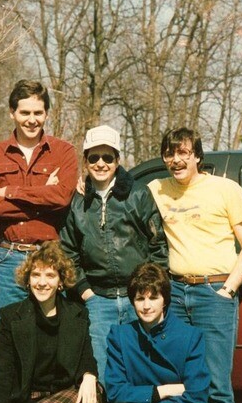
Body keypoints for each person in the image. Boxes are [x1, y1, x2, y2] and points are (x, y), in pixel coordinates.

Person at [148, 127, 242, 403]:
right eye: (169, 153)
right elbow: (120, 187)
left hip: (214, 294)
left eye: (183, 153)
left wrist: (228, 289)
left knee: (216, 385)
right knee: (177, 377)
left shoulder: (226, 189)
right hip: (177, 294)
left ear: (197, 155)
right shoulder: (158, 189)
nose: (176, 160)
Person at [59, 124, 167, 378]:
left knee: (142, 368)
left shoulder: (138, 195)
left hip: (138, 298)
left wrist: (148, 291)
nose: (100, 164)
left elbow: (159, 246)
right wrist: (86, 293)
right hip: (98, 299)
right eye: (94, 157)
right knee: (100, 370)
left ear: (117, 160)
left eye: (107, 157)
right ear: (85, 161)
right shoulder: (76, 202)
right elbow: (68, 253)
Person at [0, 79, 79, 312]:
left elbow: (62, 198)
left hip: (49, 256)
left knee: (49, 333)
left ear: (47, 114)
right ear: (12, 112)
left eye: (38, 113)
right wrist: (44, 195)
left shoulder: (64, 152)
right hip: (8, 258)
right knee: (12, 332)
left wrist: (10, 192)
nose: (31, 120)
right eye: (24, 112)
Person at [0, 242, 100, 403]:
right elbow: (2, 371)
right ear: (28, 280)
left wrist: (89, 376)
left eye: (50, 275)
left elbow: (86, 355)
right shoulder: (12, 316)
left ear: (60, 281)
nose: (42, 282)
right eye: (36, 275)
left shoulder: (77, 313)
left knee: (92, 398)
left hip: (62, 397)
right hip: (24, 400)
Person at [97, 263, 208, 403]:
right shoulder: (121, 335)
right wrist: (159, 393)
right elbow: (115, 391)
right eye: (140, 299)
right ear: (132, 302)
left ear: (165, 300)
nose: (146, 306)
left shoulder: (190, 336)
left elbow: (196, 396)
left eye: (153, 298)